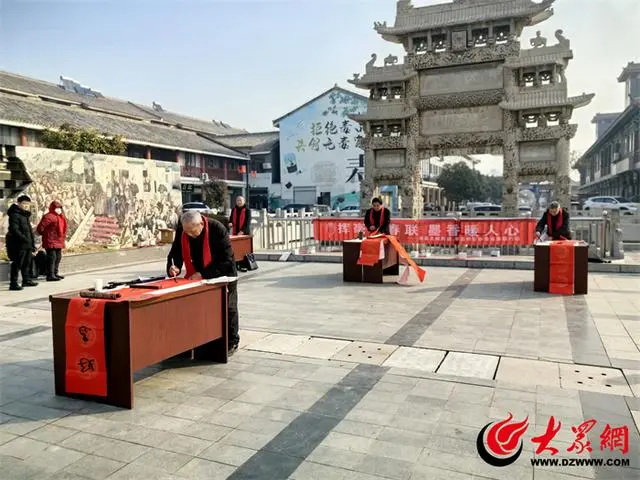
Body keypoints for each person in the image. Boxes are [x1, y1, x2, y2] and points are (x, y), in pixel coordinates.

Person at [167, 210, 240, 354]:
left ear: (201, 223)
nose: (190, 236)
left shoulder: (217, 229)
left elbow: (227, 260)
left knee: (228, 307)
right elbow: (176, 251)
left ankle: (231, 341)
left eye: (194, 233)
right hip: (197, 273)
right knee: (200, 307)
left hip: (222, 273)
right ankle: (202, 340)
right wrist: (173, 266)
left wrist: (204, 274)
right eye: (187, 233)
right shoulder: (184, 228)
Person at [5, 195, 38, 290]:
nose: (26, 206)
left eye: (28, 204)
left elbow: (29, 230)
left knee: (27, 263)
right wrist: (24, 239)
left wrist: (32, 243)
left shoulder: (25, 215)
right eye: (24, 204)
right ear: (19, 203)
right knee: (17, 263)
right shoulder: (15, 215)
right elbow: (14, 229)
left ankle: (26, 280)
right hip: (18, 244)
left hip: (27, 243)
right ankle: (13, 283)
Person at [36, 200, 67, 281]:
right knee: (52, 257)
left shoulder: (61, 216)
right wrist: (45, 234)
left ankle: (55, 273)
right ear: (53, 208)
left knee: (58, 257)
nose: (58, 209)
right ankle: (50, 275)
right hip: (50, 240)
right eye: (57, 208)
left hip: (58, 240)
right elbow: (40, 228)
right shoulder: (48, 216)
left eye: (60, 208)